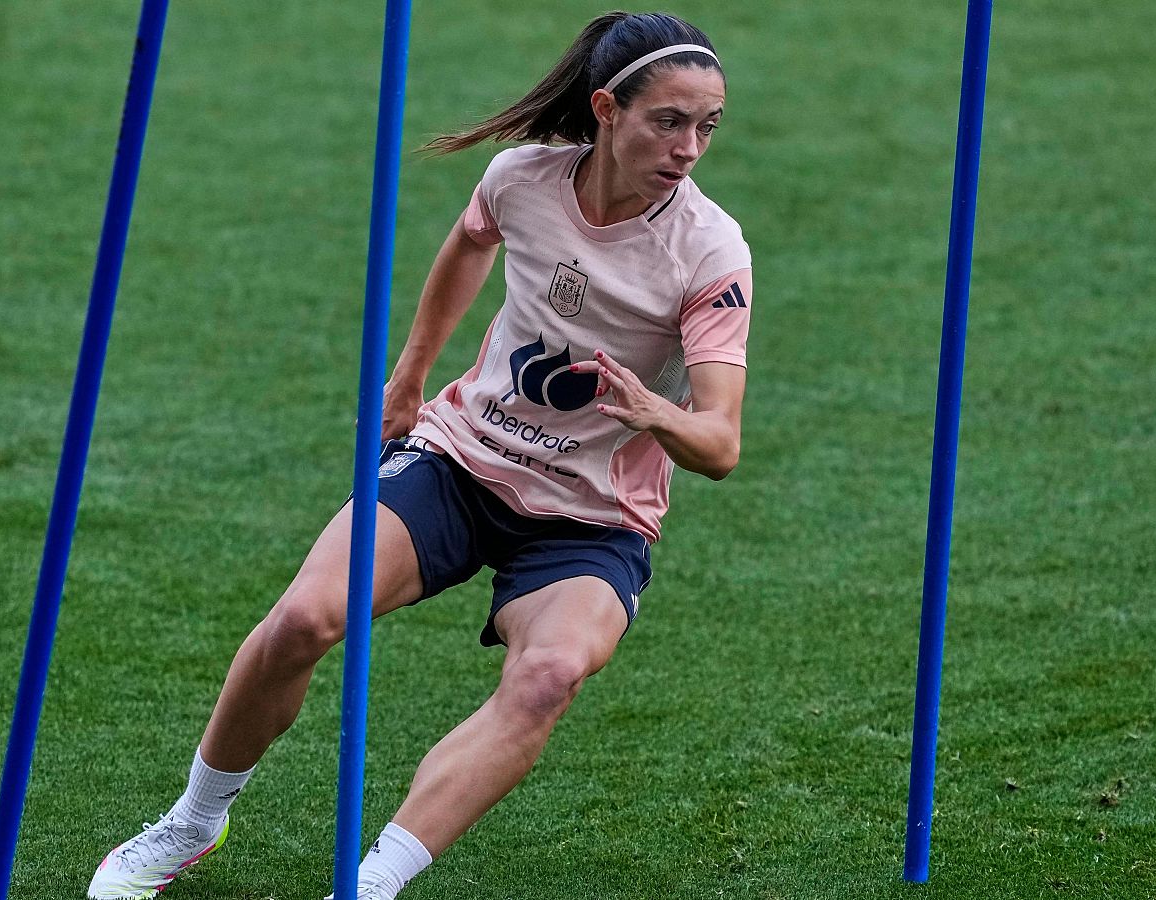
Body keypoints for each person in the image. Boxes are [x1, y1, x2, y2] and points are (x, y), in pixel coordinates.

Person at [87, 10, 751, 900]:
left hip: (593, 517)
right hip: (462, 460)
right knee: (303, 621)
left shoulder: (708, 248)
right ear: (604, 108)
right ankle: (193, 821)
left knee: (550, 675)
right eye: (669, 120)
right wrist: (410, 378)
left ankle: (371, 884)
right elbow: (473, 240)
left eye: (707, 125)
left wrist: (652, 413)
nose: (689, 146)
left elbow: (721, 444)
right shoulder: (522, 178)